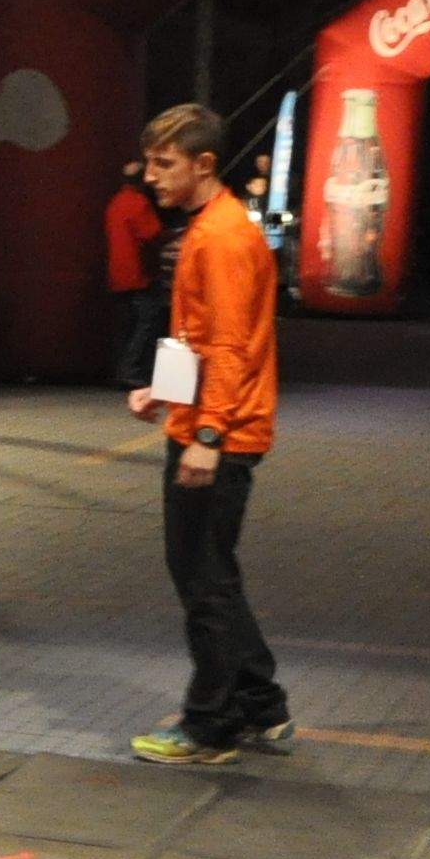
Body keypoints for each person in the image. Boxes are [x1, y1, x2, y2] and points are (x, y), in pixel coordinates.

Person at [126, 105, 291, 766]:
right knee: (209, 572)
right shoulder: (206, 229)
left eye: (162, 163)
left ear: (201, 164)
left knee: (201, 578)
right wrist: (164, 391)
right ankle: (261, 706)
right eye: (148, 161)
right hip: (202, 419)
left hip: (219, 431)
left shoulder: (221, 236)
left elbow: (228, 346)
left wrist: (208, 434)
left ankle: (210, 725)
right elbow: (194, 331)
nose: (148, 176)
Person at [104, 160, 166, 391]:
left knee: (127, 325)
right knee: (146, 324)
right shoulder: (139, 203)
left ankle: (120, 370)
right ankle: (132, 371)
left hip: (118, 275)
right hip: (141, 274)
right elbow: (152, 234)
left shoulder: (115, 202)